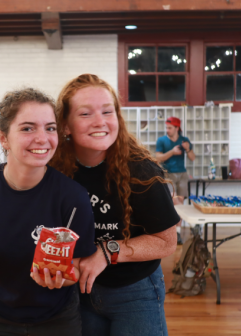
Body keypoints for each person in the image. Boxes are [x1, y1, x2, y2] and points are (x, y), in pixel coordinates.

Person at [0, 88, 96, 336]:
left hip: (57, 318)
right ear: (4, 138)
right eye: (27, 128)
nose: (43, 138)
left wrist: (60, 278)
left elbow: (75, 270)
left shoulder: (74, 196)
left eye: (50, 127)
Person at [50, 74, 180, 336]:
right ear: (65, 125)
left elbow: (167, 242)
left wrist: (107, 251)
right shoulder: (54, 171)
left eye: (107, 112)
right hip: (78, 291)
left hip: (135, 292)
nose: (100, 122)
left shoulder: (142, 172)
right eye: (85, 114)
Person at [155, 116, 196, 244]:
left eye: (170, 128)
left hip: (182, 175)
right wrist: (172, 152)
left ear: (177, 128)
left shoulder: (184, 140)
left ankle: (178, 233)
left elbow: (192, 158)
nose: (167, 130)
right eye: (166, 127)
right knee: (176, 202)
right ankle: (193, 224)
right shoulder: (161, 140)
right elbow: (158, 158)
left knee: (179, 204)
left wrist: (188, 148)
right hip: (168, 175)